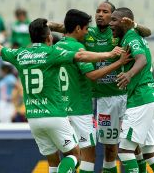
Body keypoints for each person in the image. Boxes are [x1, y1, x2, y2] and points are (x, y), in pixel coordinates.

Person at [0, 18, 125, 173]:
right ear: (49, 37)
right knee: (75, 155)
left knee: (53, 162)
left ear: (31, 38)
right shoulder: (52, 53)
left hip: (33, 118)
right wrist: (109, 54)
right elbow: (81, 56)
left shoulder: (20, 54)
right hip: (54, 114)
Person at [48, 1, 152, 172]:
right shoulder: (88, 34)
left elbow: (147, 33)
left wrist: (133, 24)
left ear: (113, 18)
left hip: (121, 95)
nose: (100, 14)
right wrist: (50, 25)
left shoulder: (118, 32)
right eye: (98, 11)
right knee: (107, 146)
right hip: (99, 97)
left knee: (129, 143)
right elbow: (69, 28)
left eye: (105, 12)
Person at [55, 9, 131, 173]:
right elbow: (92, 75)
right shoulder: (78, 48)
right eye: (85, 28)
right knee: (88, 153)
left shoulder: (56, 47)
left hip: (60, 108)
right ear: (78, 28)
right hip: (80, 108)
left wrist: (51, 26)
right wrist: (118, 61)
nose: (87, 31)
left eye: (105, 12)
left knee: (70, 154)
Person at [110, 7, 154, 173]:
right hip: (152, 98)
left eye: (114, 20)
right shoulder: (137, 36)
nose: (110, 24)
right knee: (150, 153)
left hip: (141, 99)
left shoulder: (131, 37)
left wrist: (128, 74)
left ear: (124, 22)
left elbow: (141, 59)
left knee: (126, 151)